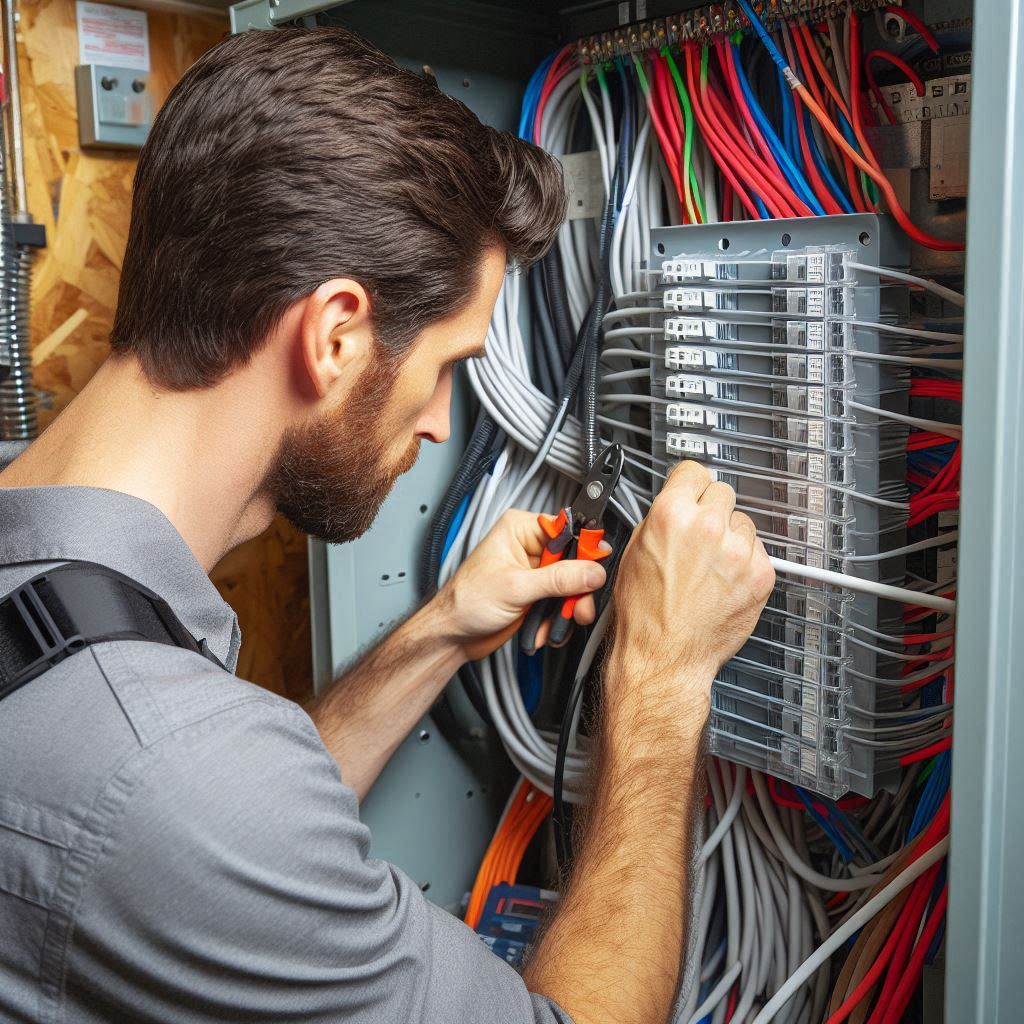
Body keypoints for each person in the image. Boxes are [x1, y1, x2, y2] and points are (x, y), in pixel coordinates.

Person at [0, 26, 773, 1024]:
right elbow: (193, 806)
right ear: (333, 336)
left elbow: (210, 847)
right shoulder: (174, 773)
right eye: (447, 363)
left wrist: (441, 629)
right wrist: (661, 680)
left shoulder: (69, 624)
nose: (443, 419)